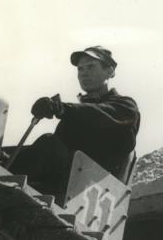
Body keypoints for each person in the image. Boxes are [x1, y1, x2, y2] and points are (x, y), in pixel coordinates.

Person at [10, 46, 140, 198]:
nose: (84, 73)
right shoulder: (76, 115)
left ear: (110, 71)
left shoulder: (125, 107)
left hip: (89, 190)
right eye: (80, 69)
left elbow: (99, 114)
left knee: (49, 143)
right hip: (64, 183)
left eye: (91, 67)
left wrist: (63, 109)